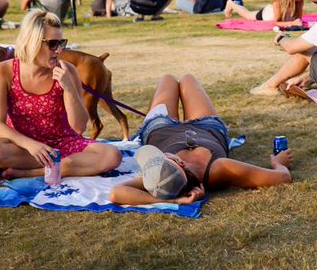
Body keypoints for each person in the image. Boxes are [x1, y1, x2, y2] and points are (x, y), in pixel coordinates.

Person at [0, 10, 122, 179]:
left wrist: (68, 88)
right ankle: (63, 165)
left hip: (64, 144)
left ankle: (31, 173)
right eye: (53, 44)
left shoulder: (67, 70)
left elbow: (78, 127)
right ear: (32, 43)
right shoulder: (3, 71)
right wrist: (32, 145)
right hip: (23, 147)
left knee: (112, 156)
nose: (59, 50)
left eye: (62, 43)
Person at [110, 73, 292, 205]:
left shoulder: (157, 174)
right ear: (181, 164)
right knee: (188, 79)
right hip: (207, 126)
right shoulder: (219, 169)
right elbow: (282, 178)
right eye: (165, 156)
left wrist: (171, 199)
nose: (162, 155)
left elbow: (116, 193)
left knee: (169, 79)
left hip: (160, 128)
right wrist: (278, 162)